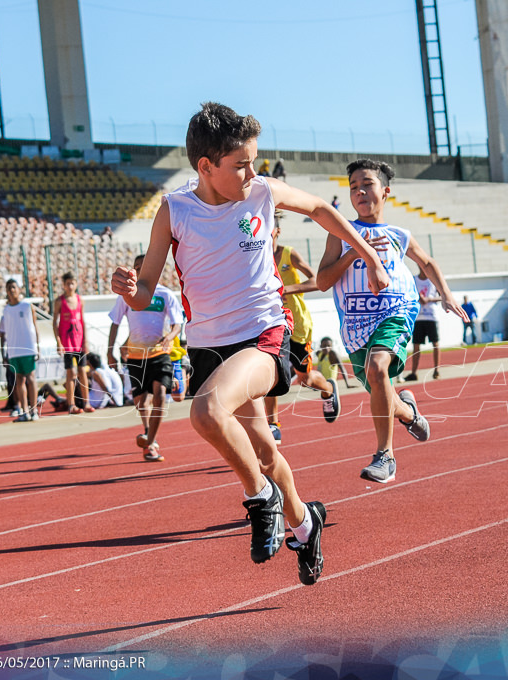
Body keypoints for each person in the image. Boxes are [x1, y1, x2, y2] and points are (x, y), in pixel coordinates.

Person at [111, 102, 389, 586]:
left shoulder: (261, 193)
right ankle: (305, 523)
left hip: (263, 335)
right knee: (262, 448)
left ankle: (263, 500)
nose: (251, 171)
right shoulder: (175, 210)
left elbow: (321, 209)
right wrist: (127, 287)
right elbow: (143, 293)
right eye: (240, 164)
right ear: (205, 167)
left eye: (253, 161)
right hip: (208, 348)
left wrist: (371, 257)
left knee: (206, 413)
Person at [316, 158, 466, 485]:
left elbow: (427, 262)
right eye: (353, 187)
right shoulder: (340, 234)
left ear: (385, 192)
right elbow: (323, 280)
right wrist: (354, 253)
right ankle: (409, 411)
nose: (359, 192)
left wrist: (447, 294)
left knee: (378, 368)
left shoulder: (399, 234)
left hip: (395, 311)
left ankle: (385, 457)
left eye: (367, 184)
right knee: (379, 390)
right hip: (355, 326)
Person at [263, 213, 340, 445]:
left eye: (269, 228)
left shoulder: (288, 254)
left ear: (276, 231)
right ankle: (273, 425)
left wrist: (287, 289)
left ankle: (328, 388)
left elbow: (319, 281)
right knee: (270, 374)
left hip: (298, 326)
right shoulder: (256, 258)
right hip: (271, 325)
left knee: (305, 378)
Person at [106, 253, 184, 461]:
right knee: (141, 400)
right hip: (135, 355)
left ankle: (150, 441)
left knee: (159, 394)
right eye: (136, 267)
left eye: (144, 267)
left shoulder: (165, 294)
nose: (140, 271)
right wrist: (110, 350)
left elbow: (178, 323)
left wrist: (170, 336)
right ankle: (149, 433)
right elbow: (115, 322)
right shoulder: (127, 296)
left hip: (160, 353)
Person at [0, 279, 40, 422]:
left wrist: (37, 346)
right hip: (14, 350)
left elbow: (35, 326)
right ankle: (24, 411)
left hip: (27, 348)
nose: (11, 290)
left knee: (31, 379)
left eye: (13, 287)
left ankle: (34, 411)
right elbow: (4, 333)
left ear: (19, 289)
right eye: (9, 288)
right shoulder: (6, 310)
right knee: (19, 381)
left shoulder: (27, 306)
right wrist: (5, 352)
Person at [53, 272, 94, 414]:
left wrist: (85, 341)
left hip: (79, 341)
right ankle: (71, 404)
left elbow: (82, 321)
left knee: (83, 371)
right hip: (67, 342)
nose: (70, 286)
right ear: (64, 285)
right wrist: (58, 342)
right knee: (71, 373)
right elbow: (55, 323)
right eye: (67, 283)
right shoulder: (60, 301)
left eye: (72, 283)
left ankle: (86, 403)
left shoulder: (79, 300)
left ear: (76, 284)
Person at [403, 269, 442, 381]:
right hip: (418, 317)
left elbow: (441, 296)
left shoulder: (433, 281)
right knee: (416, 345)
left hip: (431, 316)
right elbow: (408, 294)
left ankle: (437, 370)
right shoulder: (414, 280)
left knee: (435, 343)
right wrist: (418, 298)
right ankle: (414, 373)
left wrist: (429, 299)